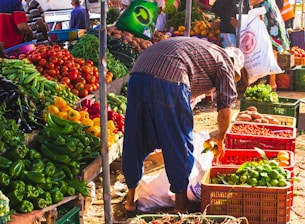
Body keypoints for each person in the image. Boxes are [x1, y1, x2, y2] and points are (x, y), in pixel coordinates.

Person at [122, 36, 244, 214]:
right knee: (178, 141)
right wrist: (220, 137)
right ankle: (181, 203)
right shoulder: (225, 63)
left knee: (136, 136)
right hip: (171, 74)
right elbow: (225, 109)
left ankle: (130, 200)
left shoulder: (206, 52)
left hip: (138, 73)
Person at [251, 0, 290, 91]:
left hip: (270, 22)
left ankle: (272, 84)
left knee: (272, 51)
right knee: (271, 51)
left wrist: (250, 3)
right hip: (269, 19)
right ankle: (272, 83)